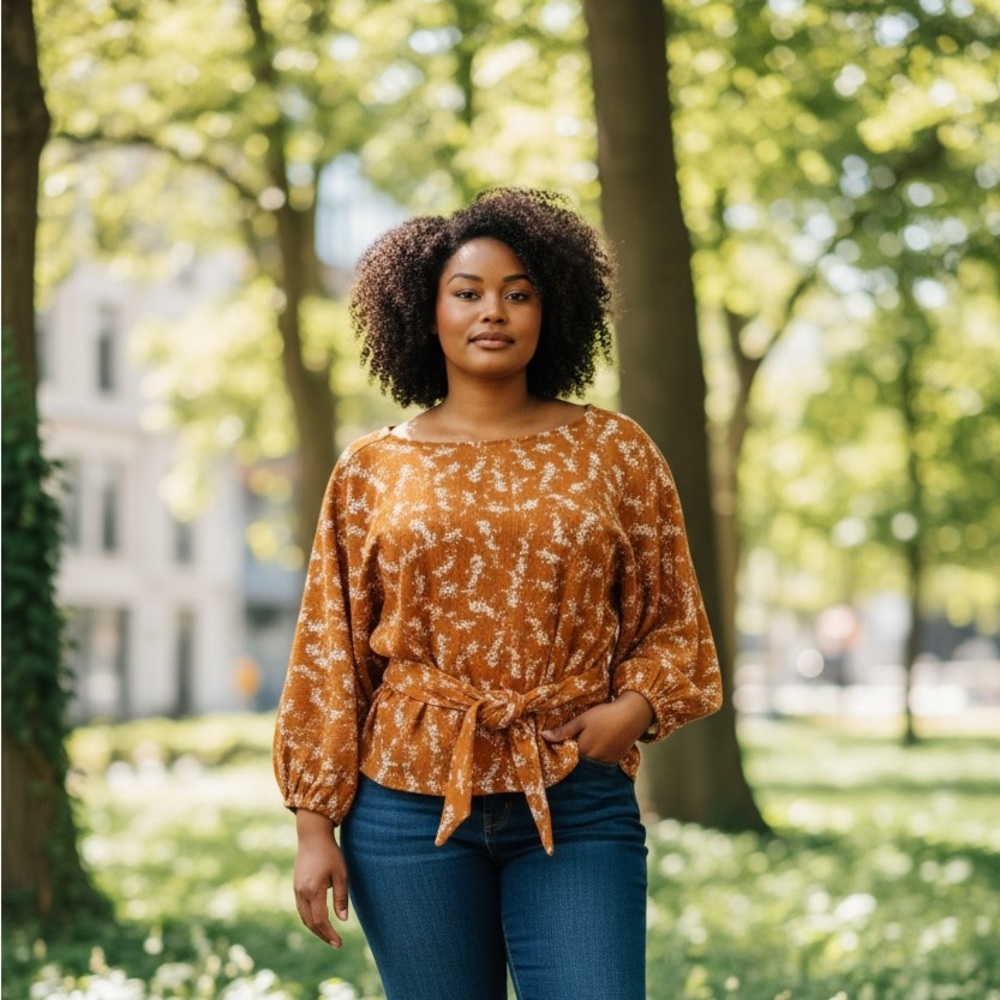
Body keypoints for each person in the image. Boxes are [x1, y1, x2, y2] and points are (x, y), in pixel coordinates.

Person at [273, 188, 722, 1000]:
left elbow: (673, 622)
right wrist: (314, 825)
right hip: (406, 808)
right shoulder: (372, 469)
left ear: (553, 311)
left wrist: (638, 708)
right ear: (426, 310)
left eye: (520, 293)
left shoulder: (615, 451)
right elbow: (328, 653)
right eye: (468, 292)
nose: (494, 311)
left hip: (575, 798)